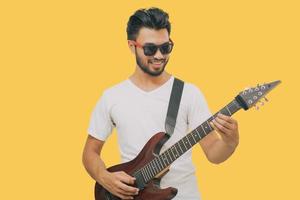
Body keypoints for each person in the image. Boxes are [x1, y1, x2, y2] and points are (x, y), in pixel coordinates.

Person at [82, 7, 239, 200]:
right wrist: (104, 177)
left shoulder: (189, 93)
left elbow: (214, 154)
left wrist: (230, 143)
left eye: (165, 47)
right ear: (132, 46)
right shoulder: (112, 96)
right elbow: (90, 152)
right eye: (150, 49)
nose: (159, 55)